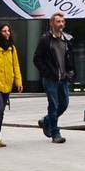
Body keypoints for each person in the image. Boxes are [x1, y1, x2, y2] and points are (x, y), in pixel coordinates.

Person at [33, 11, 73, 144]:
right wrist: (46, 72)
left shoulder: (67, 39)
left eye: (62, 22)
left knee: (64, 104)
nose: (60, 24)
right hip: (51, 79)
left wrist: (71, 72)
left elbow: (70, 59)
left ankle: (46, 121)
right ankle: (55, 133)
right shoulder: (45, 39)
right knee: (54, 105)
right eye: (58, 22)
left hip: (63, 78)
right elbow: (37, 58)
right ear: (51, 23)